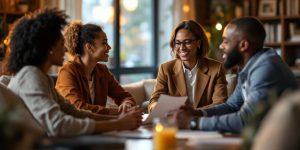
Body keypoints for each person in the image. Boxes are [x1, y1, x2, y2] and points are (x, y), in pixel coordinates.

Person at [7, 9, 142, 137]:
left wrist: (120, 118)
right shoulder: (30, 75)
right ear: (49, 48)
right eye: (61, 44)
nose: (66, 49)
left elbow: (73, 112)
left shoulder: (43, 77)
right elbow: (58, 124)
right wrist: (117, 123)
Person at [174, 17, 298, 133]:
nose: (220, 45)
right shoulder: (249, 66)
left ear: (243, 45)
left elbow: (247, 120)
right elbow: (233, 105)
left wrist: (193, 123)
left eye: (226, 41)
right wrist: (198, 113)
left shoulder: (266, 68)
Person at [55, 21, 136, 115]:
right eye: (104, 43)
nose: (109, 47)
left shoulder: (102, 71)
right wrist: (116, 112)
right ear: (89, 47)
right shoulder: (68, 71)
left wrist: (127, 104)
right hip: (74, 128)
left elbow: (124, 96)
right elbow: (77, 107)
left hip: (98, 127)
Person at [148, 20, 228, 112]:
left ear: (198, 43)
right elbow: (154, 101)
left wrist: (193, 113)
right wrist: (162, 108)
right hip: (175, 123)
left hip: (203, 123)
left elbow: (220, 104)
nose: (182, 47)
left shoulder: (216, 69)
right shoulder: (165, 69)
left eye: (187, 42)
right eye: (178, 43)